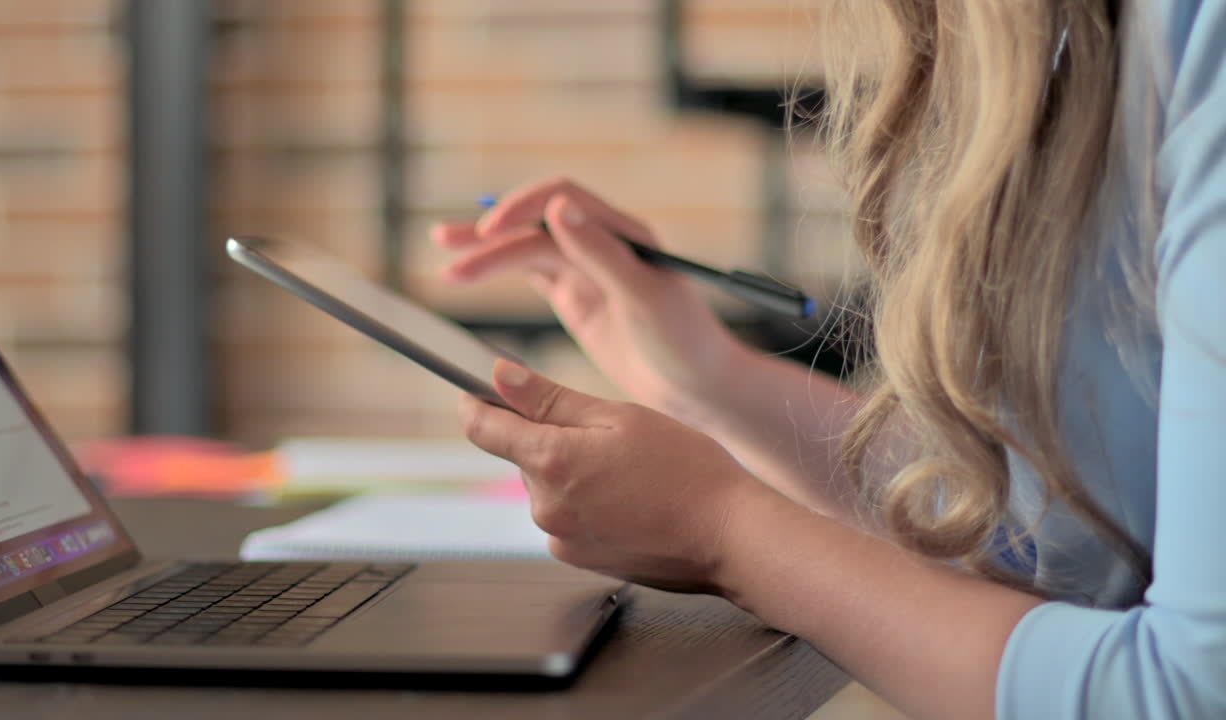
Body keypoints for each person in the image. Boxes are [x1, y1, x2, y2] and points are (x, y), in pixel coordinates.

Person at [431, 1, 1224, 718]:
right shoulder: (1072, 46)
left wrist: (724, 531)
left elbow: (1180, 696)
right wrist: (706, 374)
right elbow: (1047, 526)